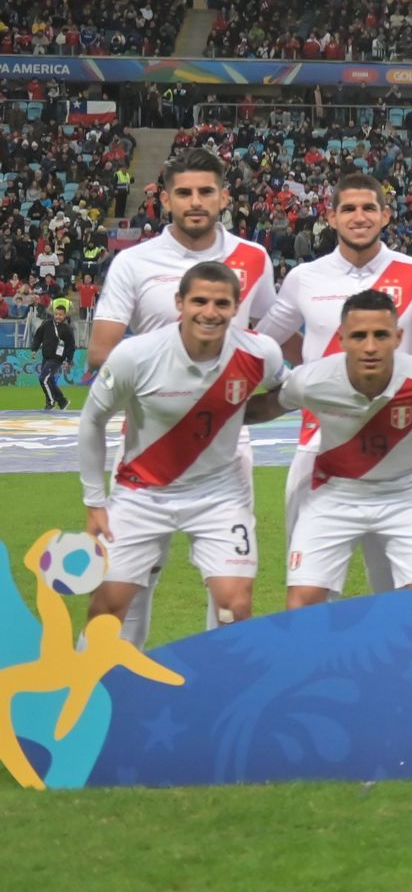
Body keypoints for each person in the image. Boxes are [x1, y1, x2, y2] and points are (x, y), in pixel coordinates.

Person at [87, 148, 275, 648]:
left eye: (206, 192)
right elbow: (101, 352)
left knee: (232, 603)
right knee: (125, 593)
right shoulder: (135, 261)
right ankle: (109, 700)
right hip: (148, 449)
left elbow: (269, 345)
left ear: (224, 197)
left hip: (224, 459)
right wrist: (173, 379)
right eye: (185, 193)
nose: (196, 202)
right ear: (165, 198)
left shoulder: (255, 258)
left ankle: (221, 708)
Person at [260, 290, 412, 607]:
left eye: (380, 335)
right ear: (341, 339)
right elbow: (264, 408)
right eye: (359, 336)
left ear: (398, 337)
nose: (370, 346)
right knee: (302, 605)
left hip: (407, 496)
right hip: (335, 495)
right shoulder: (312, 380)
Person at [77, 262, 288, 634]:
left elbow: (286, 392)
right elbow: (92, 419)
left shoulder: (260, 353)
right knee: (106, 610)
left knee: (235, 608)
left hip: (219, 494)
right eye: (200, 301)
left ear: (236, 308)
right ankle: (97, 691)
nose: (210, 312)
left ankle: (219, 690)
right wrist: (95, 502)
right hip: (141, 492)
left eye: (222, 303)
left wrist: (239, 414)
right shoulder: (136, 355)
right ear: (180, 303)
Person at [258, 175, 412, 596]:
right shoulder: (305, 278)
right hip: (318, 448)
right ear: (332, 217)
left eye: (368, 208)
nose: (359, 217)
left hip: (397, 453)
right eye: (349, 209)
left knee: (402, 596)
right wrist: (312, 368)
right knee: (312, 597)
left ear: (385, 214)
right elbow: (269, 338)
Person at [32, 299, 75, 410]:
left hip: (57, 359)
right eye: (56, 314)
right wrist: (34, 349)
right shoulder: (46, 324)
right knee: (49, 380)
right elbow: (38, 336)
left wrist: (69, 361)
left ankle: (50, 403)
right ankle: (63, 401)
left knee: (43, 379)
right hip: (46, 357)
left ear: (65, 315)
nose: (58, 316)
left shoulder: (67, 329)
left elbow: (71, 346)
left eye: (60, 315)